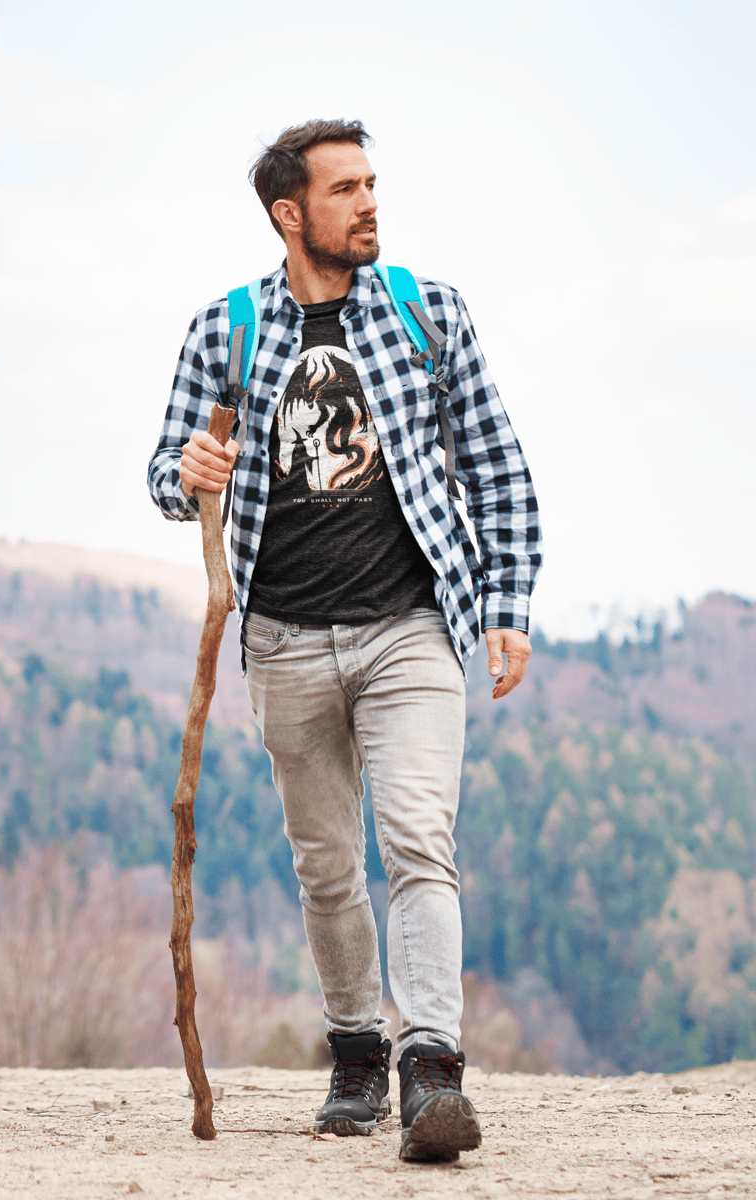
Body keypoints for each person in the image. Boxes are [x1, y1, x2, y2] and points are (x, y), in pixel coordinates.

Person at [148, 118, 542, 1162]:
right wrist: (187, 471)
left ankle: (431, 1070)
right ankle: (359, 1050)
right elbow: (165, 473)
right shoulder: (226, 331)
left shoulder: (426, 313)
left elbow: (494, 463)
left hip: (410, 629)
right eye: (344, 190)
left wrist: (505, 604)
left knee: (417, 841)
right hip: (282, 641)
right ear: (289, 214)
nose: (369, 203)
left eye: (371, 184)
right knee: (326, 866)